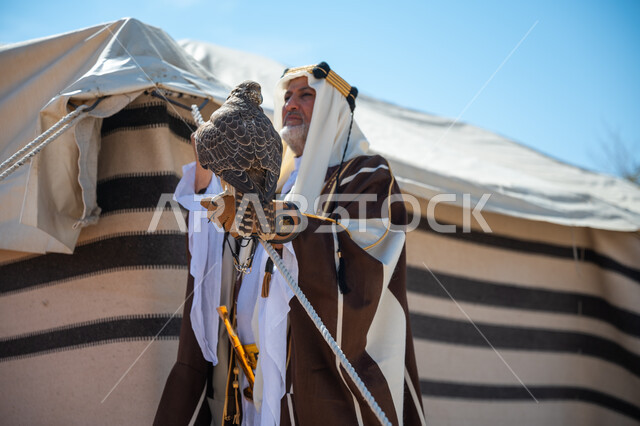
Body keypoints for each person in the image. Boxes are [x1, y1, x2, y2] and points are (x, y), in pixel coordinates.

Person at [155, 63, 424, 426]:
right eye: (286, 97)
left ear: (334, 110)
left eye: (305, 95)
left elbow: (366, 255)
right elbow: (224, 245)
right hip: (246, 388)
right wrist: (207, 183)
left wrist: (276, 222)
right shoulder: (275, 184)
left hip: (303, 390)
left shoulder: (365, 174)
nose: (290, 105)